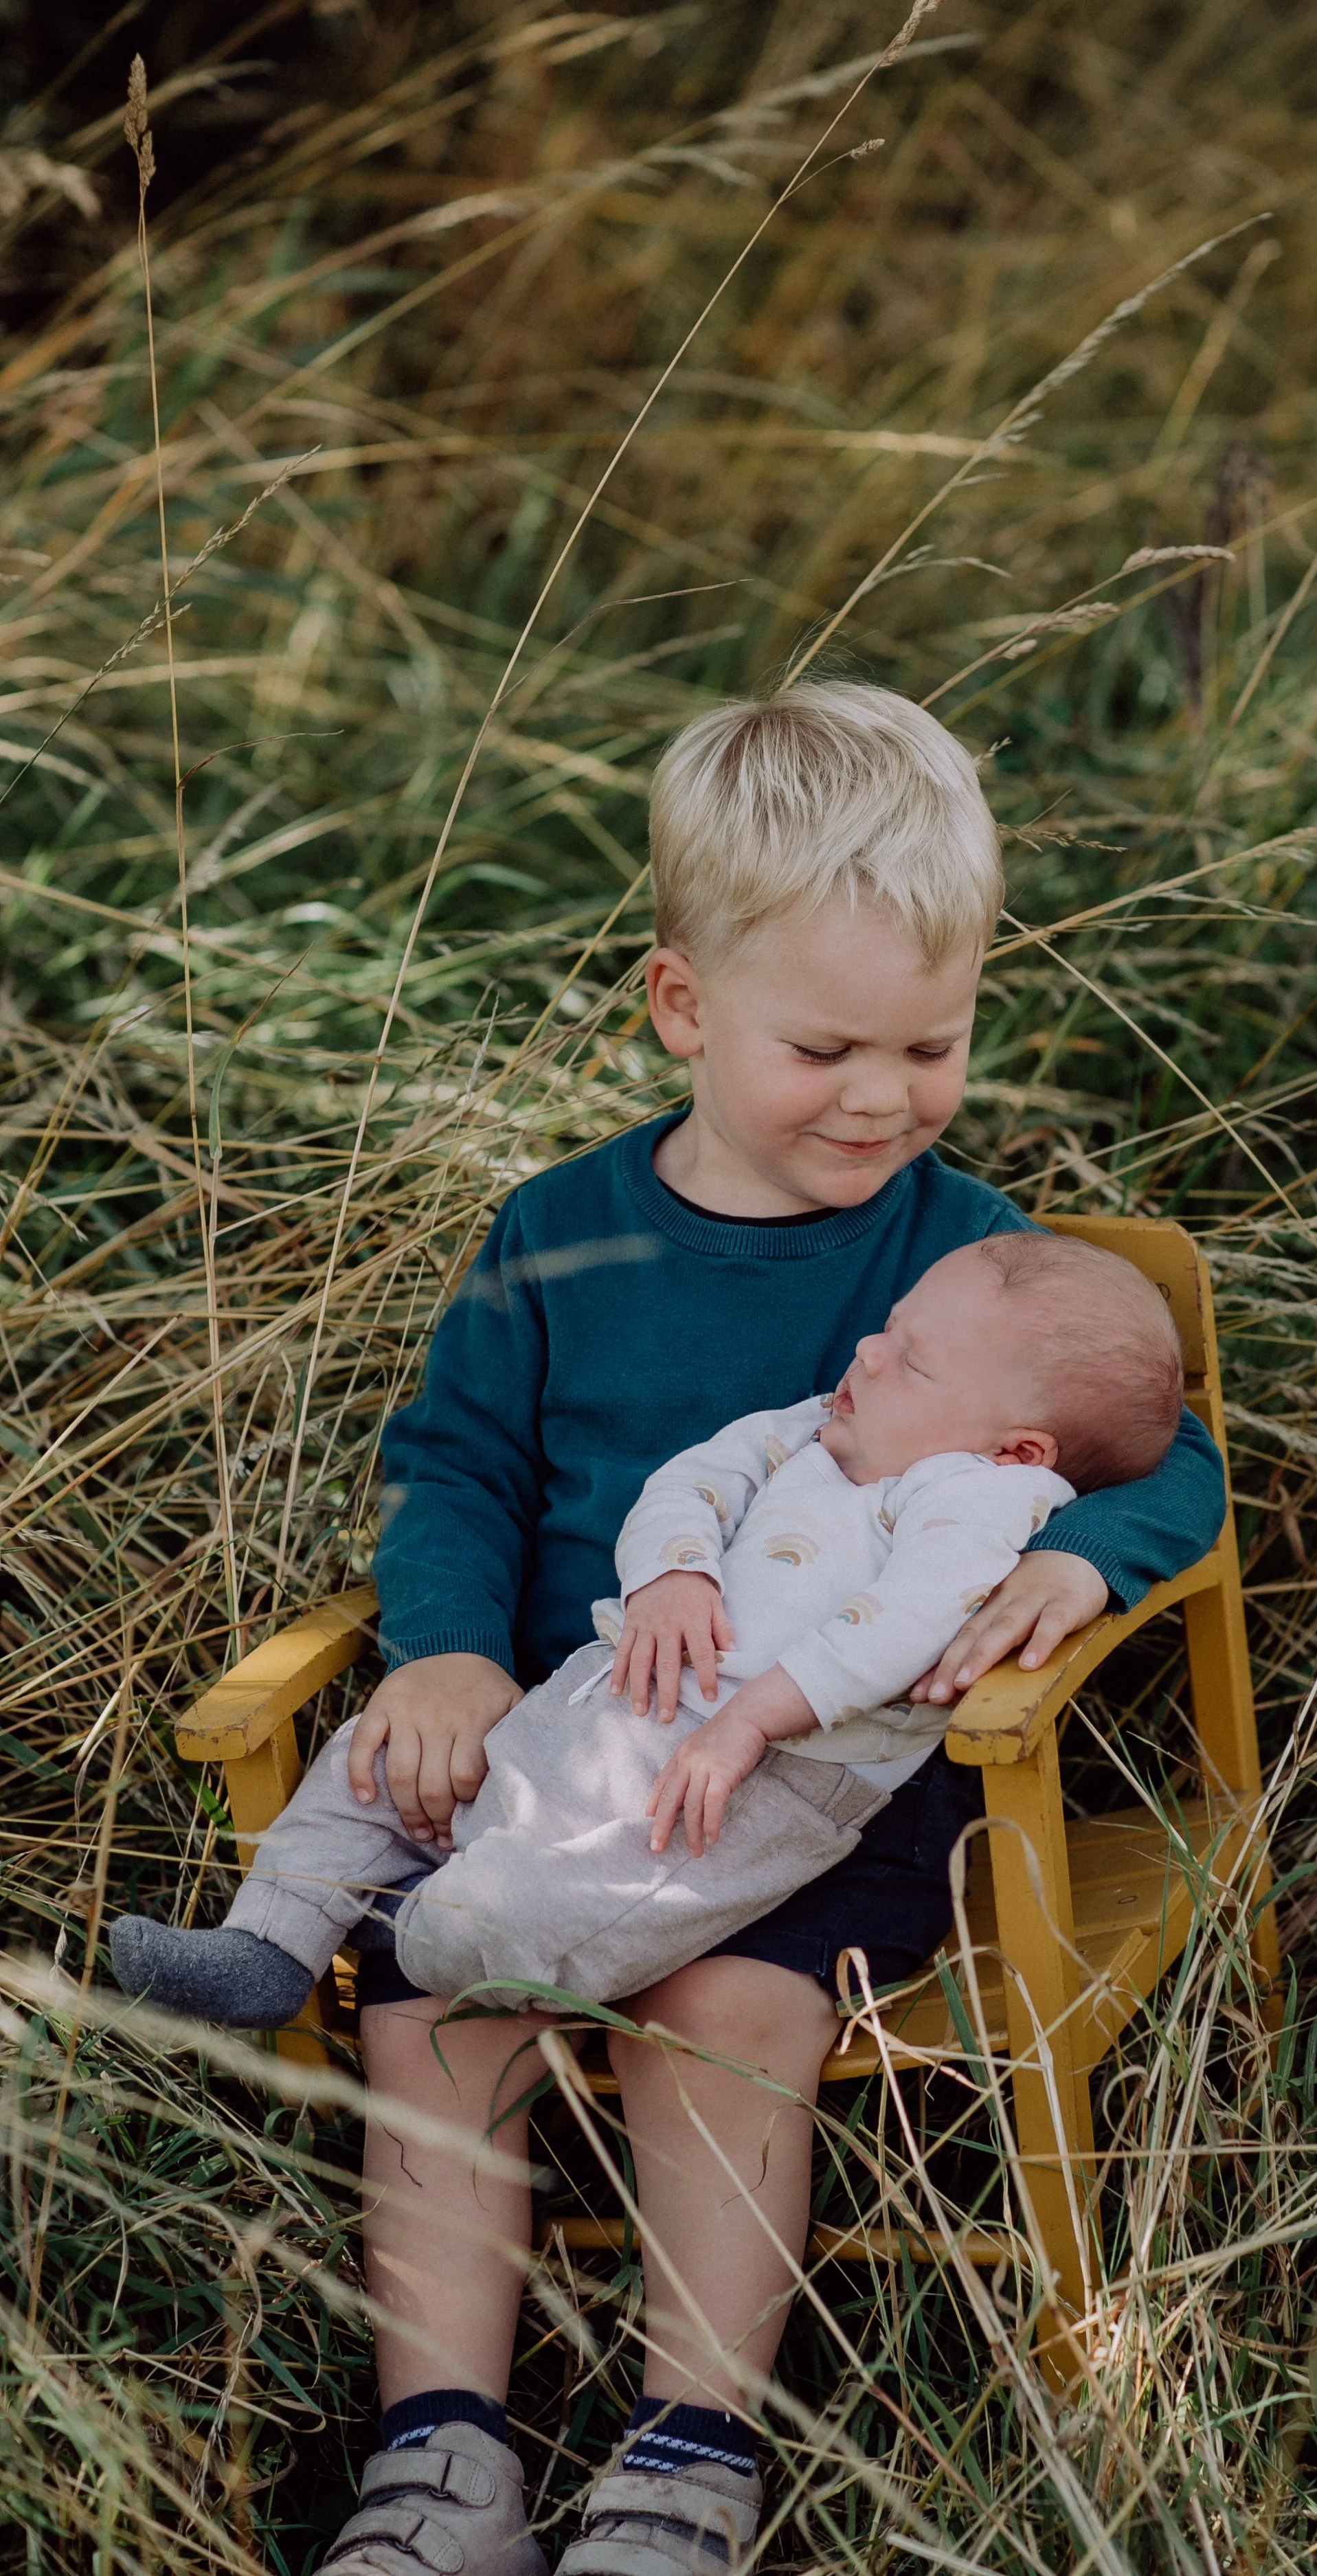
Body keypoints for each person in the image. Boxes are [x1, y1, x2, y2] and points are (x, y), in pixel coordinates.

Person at [131, 684, 1228, 2576]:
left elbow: (1155, 1449)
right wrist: (452, 1646)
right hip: (570, 1756)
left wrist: (1089, 1557)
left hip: (818, 1789)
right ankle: (441, 2454)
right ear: (681, 1007)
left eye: (930, 1042)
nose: (881, 1095)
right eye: (825, 1045)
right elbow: (454, 1464)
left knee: (718, 2004)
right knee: (427, 1996)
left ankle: (685, 2452)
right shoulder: (559, 1238)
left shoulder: (956, 1249)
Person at [110, 1232, 1183, 2026]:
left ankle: (448, 1933)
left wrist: (750, 1721)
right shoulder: (820, 1424)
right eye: (887, 1326)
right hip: (610, 1700)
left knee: (600, 1887)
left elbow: (908, 1622)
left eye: (913, 1359)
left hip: (759, 1781)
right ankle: (265, 1948)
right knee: (368, 1761)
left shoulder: (980, 1501)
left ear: (1020, 1450)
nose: (867, 1349)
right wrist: (672, 1574)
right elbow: (693, 1480)